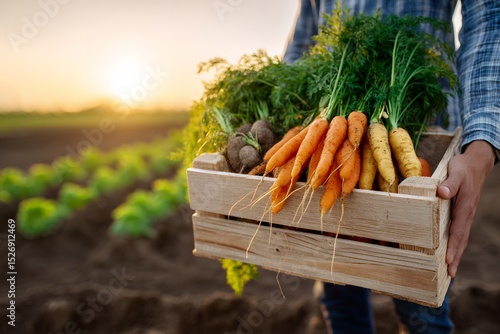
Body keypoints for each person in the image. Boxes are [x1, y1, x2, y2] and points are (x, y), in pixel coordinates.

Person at [283, 1, 499, 333]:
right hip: (330, 152)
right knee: (338, 294)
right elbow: (303, 40)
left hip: (423, 136)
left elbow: (489, 20)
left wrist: (482, 143)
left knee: (419, 303)